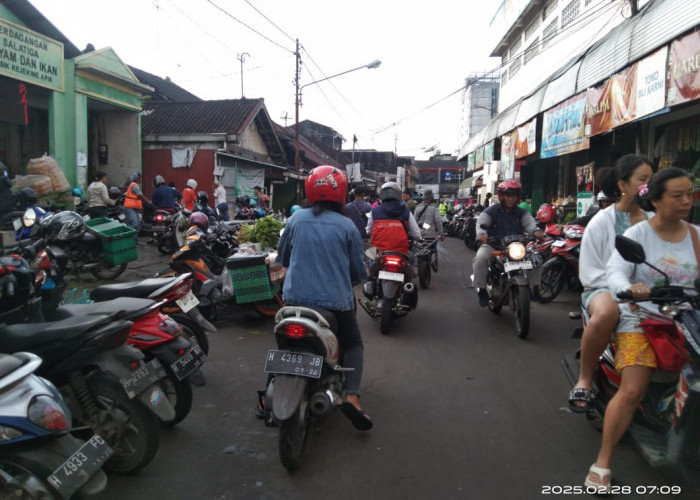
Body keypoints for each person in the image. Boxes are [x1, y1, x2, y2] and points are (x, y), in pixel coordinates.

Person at [584, 167, 696, 492]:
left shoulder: (697, 235)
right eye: (678, 195)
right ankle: (603, 461)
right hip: (643, 319)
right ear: (657, 200)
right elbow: (616, 271)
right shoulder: (637, 235)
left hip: (689, 319)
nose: (686, 201)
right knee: (632, 390)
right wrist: (631, 289)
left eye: (689, 194)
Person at [275, 165, 372, 431]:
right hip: (336, 305)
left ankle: (270, 390)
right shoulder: (347, 226)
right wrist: (353, 278)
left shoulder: (295, 220)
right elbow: (356, 271)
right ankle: (351, 395)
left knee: (284, 343)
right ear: (341, 193)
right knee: (353, 345)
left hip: (294, 301)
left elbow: (282, 257)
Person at [568, 155, 654, 413]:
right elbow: (592, 272)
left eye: (651, 179)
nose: (648, 185)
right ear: (623, 185)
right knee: (607, 312)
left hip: (649, 291)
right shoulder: (601, 221)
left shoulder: (654, 220)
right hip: (602, 288)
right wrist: (623, 289)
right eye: (643, 179)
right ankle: (584, 379)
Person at [472, 179, 543, 307]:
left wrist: (536, 231)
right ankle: (481, 289)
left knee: (536, 258)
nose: (511, 199)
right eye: (508, 195)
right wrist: (482, 234)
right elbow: (481, 223)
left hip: (516, 246)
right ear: (502, 196)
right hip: (494, 245)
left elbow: (530, 224)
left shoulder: (522, 212)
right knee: (480, 258)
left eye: (514, 196)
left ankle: (533, 288)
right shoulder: (491, 211)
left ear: (518, 197)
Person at [366, 182, 422, 278]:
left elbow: (368, 231)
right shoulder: (406, 212)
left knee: (371, 262)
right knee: (412, 258)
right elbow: (416, 234)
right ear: (398, 195)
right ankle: (408, 285)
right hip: (401, 252)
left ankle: (370, 282)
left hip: (379, 252)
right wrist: (419, 239)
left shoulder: (374, 211)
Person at [123, 172, 152, 245]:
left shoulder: (134, 185)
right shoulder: (134, 186)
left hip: (133, 208)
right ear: (137, 179)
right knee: (134, 224)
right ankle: (129, 240)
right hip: (130, 208)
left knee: (138, 225)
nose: (141, 179)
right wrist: (148, 202)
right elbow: (140, 196)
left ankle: (134, 241)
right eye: (140, 178)